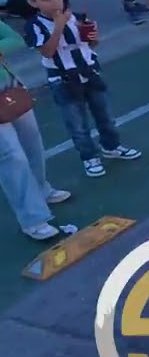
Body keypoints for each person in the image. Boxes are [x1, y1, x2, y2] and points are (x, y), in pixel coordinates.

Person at [23, 0, 142, 179]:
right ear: (34, 3)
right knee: (77, 124)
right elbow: (47, 51)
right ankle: (89, 157)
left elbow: (89, 45)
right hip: (63, 79)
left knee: (104, 115)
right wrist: (58, 26)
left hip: (89, 72)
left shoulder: (76, 17)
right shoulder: (34, 25)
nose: (53, 2)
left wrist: (92, 36)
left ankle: (111, 146)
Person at [0, 16, 74, 240]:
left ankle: (42, 189)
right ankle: (32, 219)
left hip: (9, 88)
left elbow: (14, 39)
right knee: (11, 156)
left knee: (32, 141)